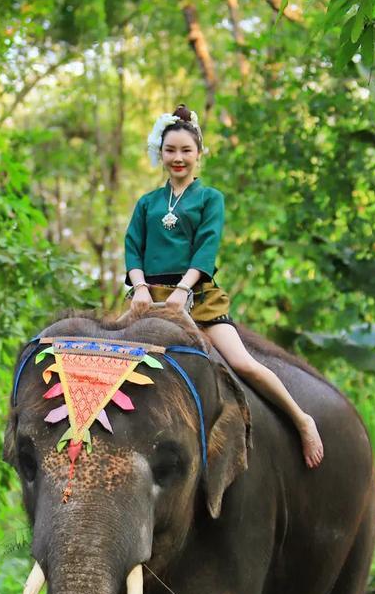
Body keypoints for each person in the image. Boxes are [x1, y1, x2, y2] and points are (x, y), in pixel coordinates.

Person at [124, 104, 324, 469]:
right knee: (113, 358)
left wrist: (183, 290)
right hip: (146, 297)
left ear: (199, 154)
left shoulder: (209, 199)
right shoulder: (147, 202)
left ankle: (300, 418)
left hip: (196, 296)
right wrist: (138, 287)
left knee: (243, 364)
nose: (178, 158)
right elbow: (132, 247)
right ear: (160, 154)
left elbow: (207, 246)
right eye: (171, 151)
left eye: (186, 150)